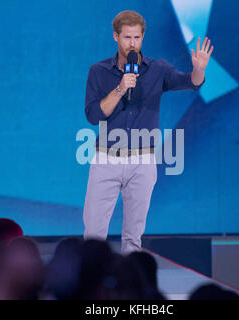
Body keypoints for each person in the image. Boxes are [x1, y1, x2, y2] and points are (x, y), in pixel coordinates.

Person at [82, 10, 213, 254]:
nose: (132, 44)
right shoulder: (98, 71)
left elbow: (190, 82)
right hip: (106, 158)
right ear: (116, 37)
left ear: (143, 37)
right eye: (127, 38)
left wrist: (199, 70)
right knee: (93, 235)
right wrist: (120, 89)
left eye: (137, 38)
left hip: (142, 161)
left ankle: (131, 287)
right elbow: (93, 115)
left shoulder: (158, 69)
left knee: (133, 238)